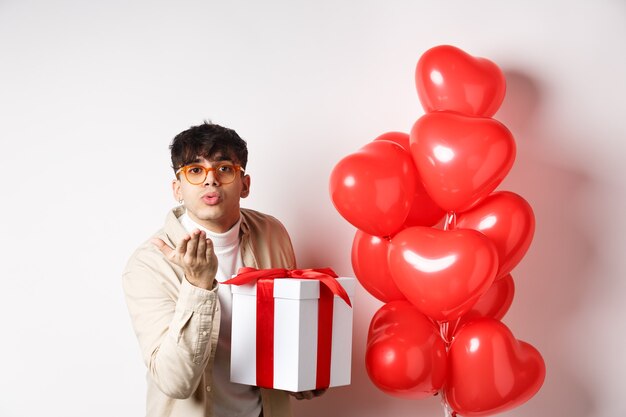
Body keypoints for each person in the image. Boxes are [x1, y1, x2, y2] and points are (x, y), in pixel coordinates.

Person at [123, 122, 323, 417]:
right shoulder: (147, 264)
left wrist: (302, 374)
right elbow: (174, 381)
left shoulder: (273, 233)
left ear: (245, 184)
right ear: (177, 188)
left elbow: (287, 329)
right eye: (195, 170)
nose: (210, 180)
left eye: (224, 169)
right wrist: (198, 285)